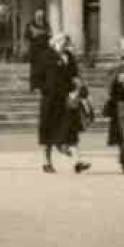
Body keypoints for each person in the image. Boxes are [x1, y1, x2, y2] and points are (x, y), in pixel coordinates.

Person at [39, 35, 91, 175]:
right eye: (62, 41)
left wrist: (78, 89)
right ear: (55, 42)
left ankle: (77, 162)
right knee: (47, 132)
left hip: (67, 99)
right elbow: (38, 77)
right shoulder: (46, 56)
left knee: (70, 130)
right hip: (51, 100)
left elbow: (75, 75)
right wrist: (46, 90)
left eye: (66, 42)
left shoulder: (69, 56)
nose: (65, 44)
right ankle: (46, 162)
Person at [25, 10, 52, 92]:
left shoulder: (46, 24)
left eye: (41, 16)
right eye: (38, 16)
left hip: (44, 50)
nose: (39, 17)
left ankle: (42, 86)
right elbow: (27, 36)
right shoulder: (30, 24)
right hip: (34, 51)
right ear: (35, 16)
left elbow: (49, 34)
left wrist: (39, 33)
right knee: (34, 70)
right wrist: (36, 34)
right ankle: (33, 87)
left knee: (43, 70)